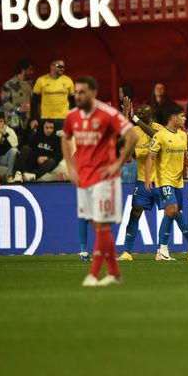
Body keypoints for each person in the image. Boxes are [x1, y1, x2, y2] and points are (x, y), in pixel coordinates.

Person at [62, 75, 139, 287]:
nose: (78, 96)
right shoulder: (72, 116)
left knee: (102, 225)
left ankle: (93, 274)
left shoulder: (108, 114)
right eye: (76, 92)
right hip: (84, 178)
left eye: (82, 92)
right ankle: (114, 273)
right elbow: (65, 139)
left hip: (105, 179)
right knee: (97, 225)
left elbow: (133, 136)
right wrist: (71, 167)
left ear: (93, 93)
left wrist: (118, 163)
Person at [144, 104, 188, 261]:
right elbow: (150, 157)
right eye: (182, 115)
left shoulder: (182, 135)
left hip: (178, 181)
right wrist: (148, 178)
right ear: (174, 118)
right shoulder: (160, 136)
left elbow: (183, 155)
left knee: (174, 212)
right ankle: (163, 250)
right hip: (164, 180)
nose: (184, 118)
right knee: (173, 209)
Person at [120, 104, 163, 261]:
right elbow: (122, 137)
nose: (138, 114)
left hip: (160, 180)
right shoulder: (136, 130)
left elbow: (156, 136)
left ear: (150, 114)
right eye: (137, 112)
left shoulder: (157, 127)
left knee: (172, 213)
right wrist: (124, 117)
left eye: (141, 113)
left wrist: (134, 118)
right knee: (135, 211)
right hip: (142, 180)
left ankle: (166, 250)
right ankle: (127, 252)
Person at [32, 58, 74, 132]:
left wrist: (73, 117)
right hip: (46, 118)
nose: (62, 69)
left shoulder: (68, 80)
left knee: (62, 139)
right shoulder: (41, 80)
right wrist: (34, 118)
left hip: (63, 118)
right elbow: (34, 101)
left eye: (63, 67)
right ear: (52, 66)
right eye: (59, 66)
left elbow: (73, 101)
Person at [1, 59, 35, 137]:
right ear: (23, 70)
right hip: (13, 121)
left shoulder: (31, 85)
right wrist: (18, 109)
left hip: (28, 122)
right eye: (30, 70)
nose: (32, 72)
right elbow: (4, 103)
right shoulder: (9, 84)